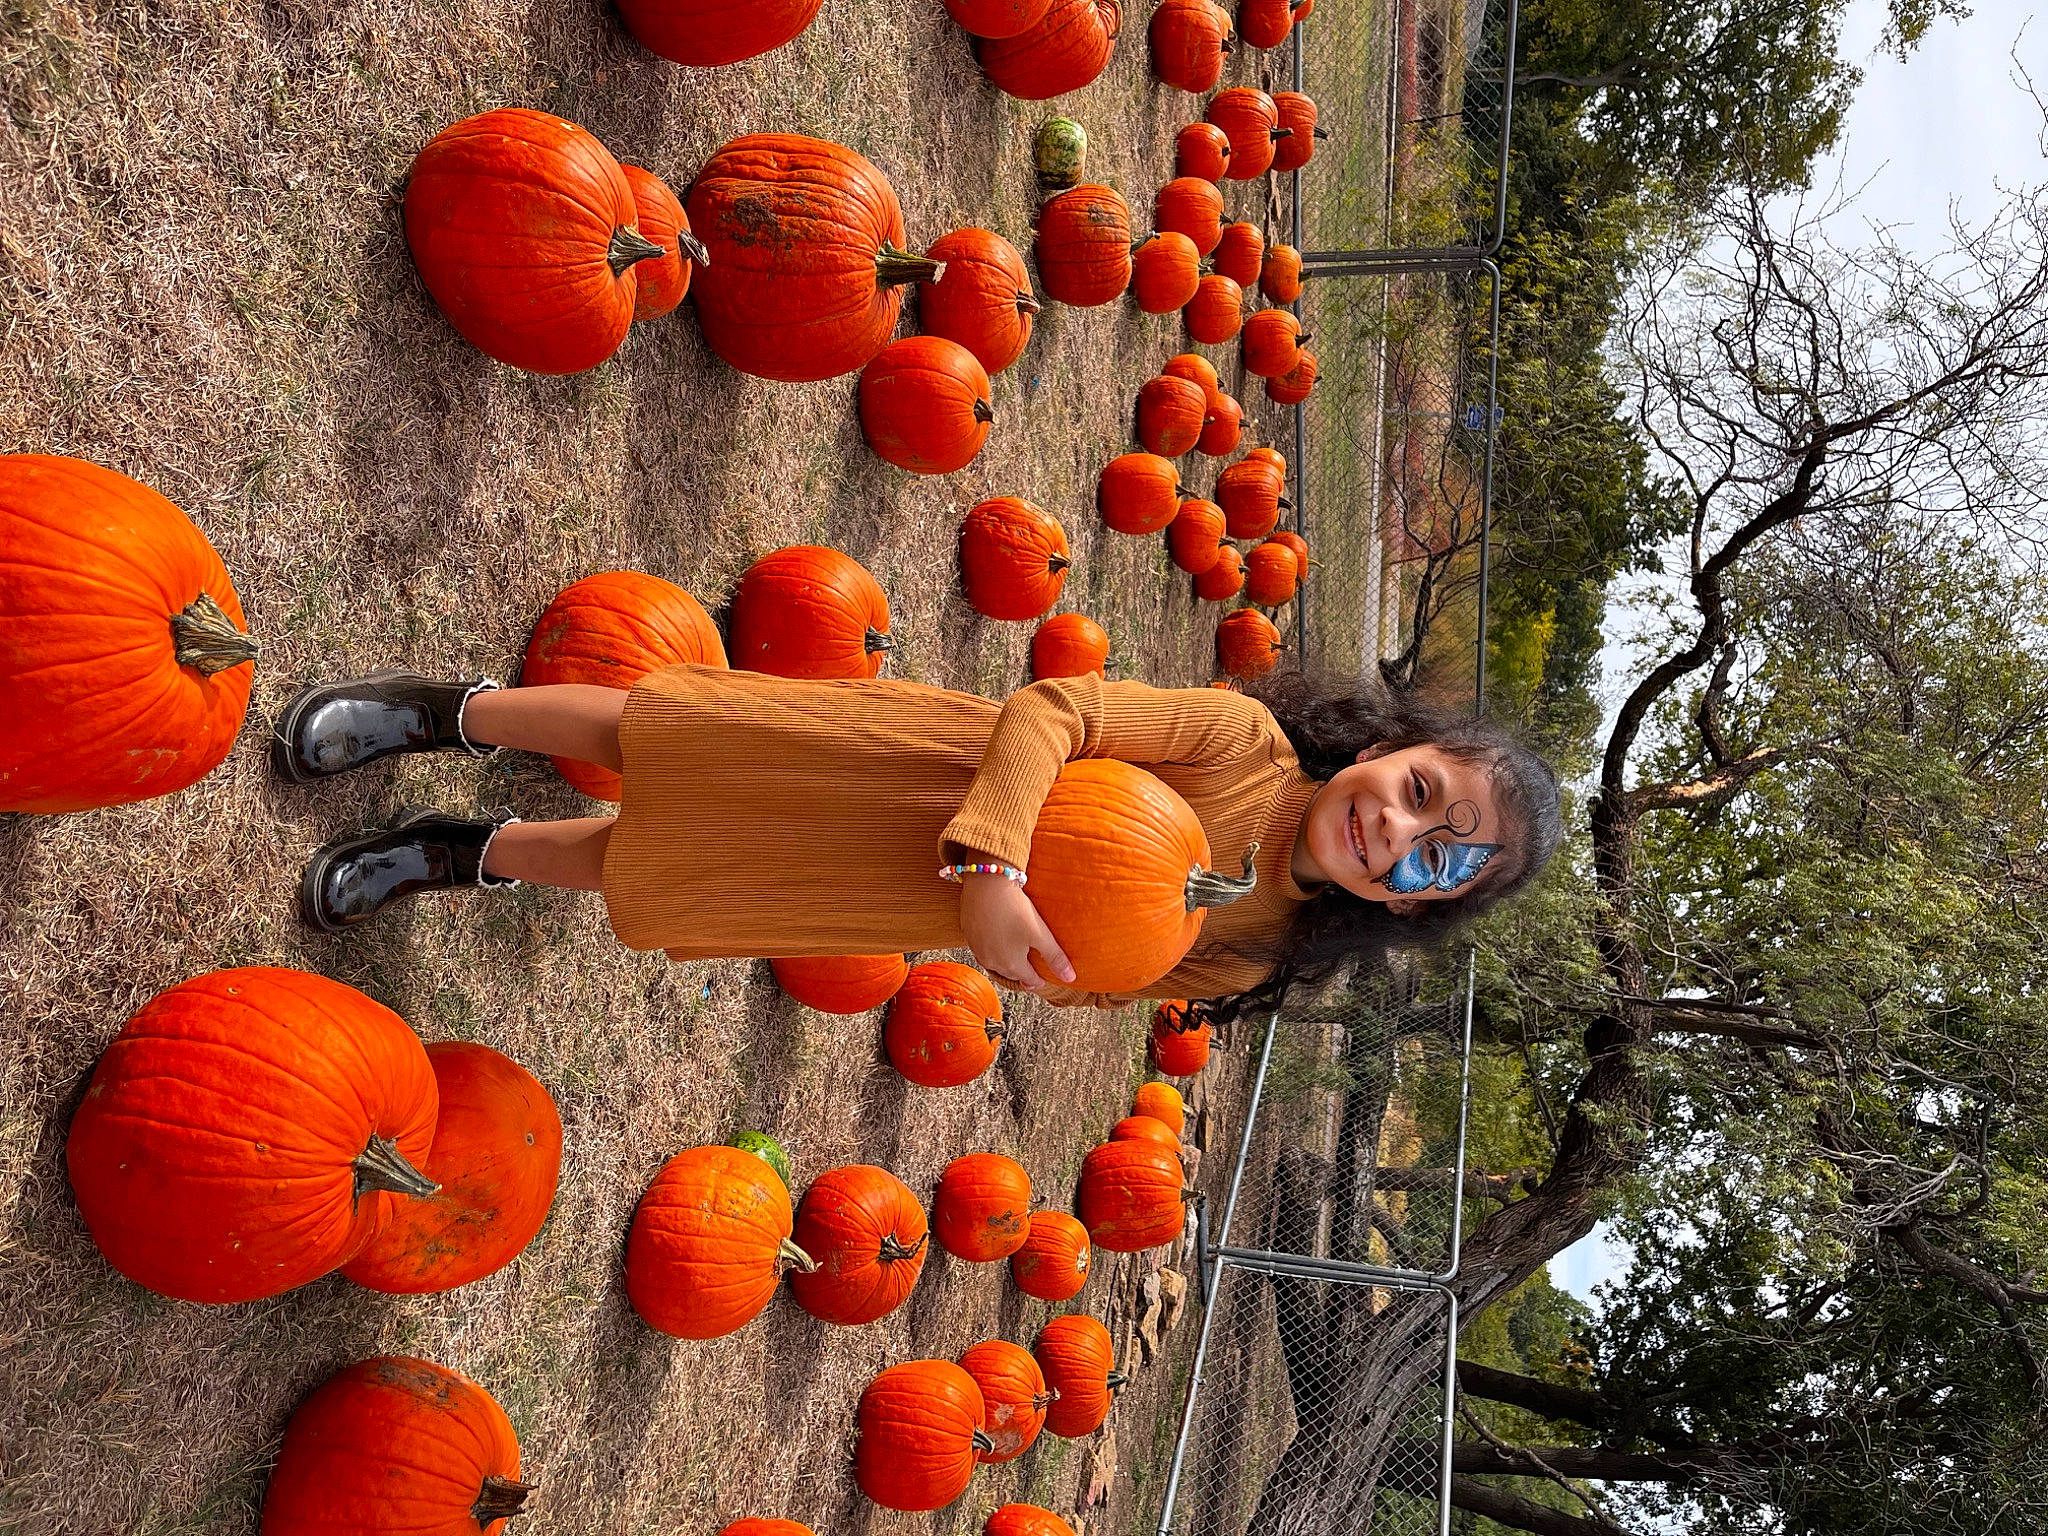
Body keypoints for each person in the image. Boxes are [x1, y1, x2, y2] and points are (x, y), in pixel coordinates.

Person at [273, 664, 1560, 1010]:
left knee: (657, 863)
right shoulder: (1242, 748)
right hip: (912, 772)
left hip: (892, 893)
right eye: (1421, 791)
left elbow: (1097, 973)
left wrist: (1032, 952)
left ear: (1406, 910)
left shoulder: (1254, 947)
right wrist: (1002, 858)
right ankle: (450, 713)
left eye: (1430, 860)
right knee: (666, 734)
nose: (1394, 830)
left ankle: (463, 852)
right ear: (1394, 746)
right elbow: (1055, 710)